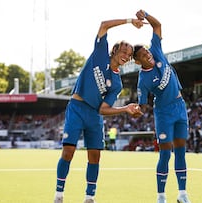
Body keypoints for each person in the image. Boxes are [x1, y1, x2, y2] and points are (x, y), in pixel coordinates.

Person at [54, 17, 144, 203]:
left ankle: (89, 197)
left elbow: (104, 109)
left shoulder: (117, 83)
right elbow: (104, 25)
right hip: (77, 108)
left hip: (94, 115)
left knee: (95, 156)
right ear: (115, 50)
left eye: (129, 55)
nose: (127, 56)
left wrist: (125, 108)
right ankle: (59, 195)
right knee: (68, 151)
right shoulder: (100, 54)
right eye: (124, 51)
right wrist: (129, 21)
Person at [133, 9, 192, 203]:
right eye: (143, 54)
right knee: (166, 153)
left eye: (147, 51)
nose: (148, 54)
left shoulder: (156, 51)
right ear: (137, 61)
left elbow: (157, 26)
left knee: (181, 151)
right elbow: (143, 105)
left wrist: (146, 15)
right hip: (164, 113)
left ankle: (182, 194)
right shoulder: (142, 80)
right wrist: (136, 110)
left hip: (180, 107)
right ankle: (161, 196)